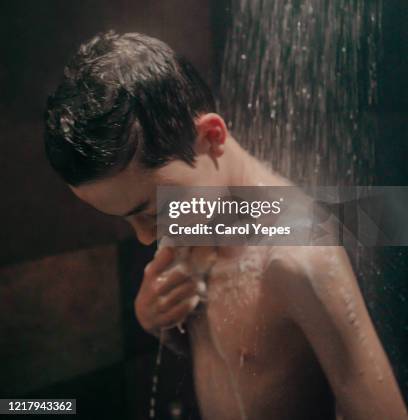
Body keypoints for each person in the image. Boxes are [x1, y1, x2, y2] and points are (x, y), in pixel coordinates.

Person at [44, 31, 407, 420]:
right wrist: (155, 322)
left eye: (150, 211)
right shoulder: (196, 221)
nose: (146, 236)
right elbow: (236, 356)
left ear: (211, 138)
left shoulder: (298, 258)